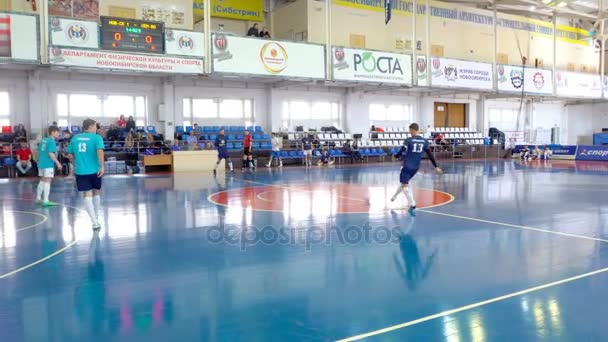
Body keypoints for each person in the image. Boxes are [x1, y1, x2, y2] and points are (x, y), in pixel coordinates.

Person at [391, 123, 443, 216]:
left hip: (407, 166)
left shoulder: (408, 140)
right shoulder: (425, 141)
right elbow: (430, 155)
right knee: (404, 183)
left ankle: (413, 204)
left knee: (405, 187)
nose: (409, 132)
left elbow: (402, 150)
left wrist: (396, 156)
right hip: (416, 167)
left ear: (412, 130)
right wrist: (436, 166)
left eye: (410, 130)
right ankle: (394, 196)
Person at [66, 119, 105, 231]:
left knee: (87, 194)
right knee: (96, 192)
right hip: (95, 169)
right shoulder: (97, 138)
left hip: (81, 171)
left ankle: (94, 222)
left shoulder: (75, 138)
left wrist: (75, 163)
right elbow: (100, 152)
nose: (96, 128)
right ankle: (96, 217)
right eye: (95, 126)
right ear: (91, 126)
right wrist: (102, 166)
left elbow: (69, 154)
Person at [36, 126, 62, 206]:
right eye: (57, 132)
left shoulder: (43, 140)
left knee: (42, 180)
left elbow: (38, 151)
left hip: (41, 163)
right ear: (53, 132)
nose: (59, 134)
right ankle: (46, 200)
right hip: (48, 164)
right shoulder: (51, 141)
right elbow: (51, 153)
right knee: (48, 181)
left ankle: (38, 198)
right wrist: (58, 163)